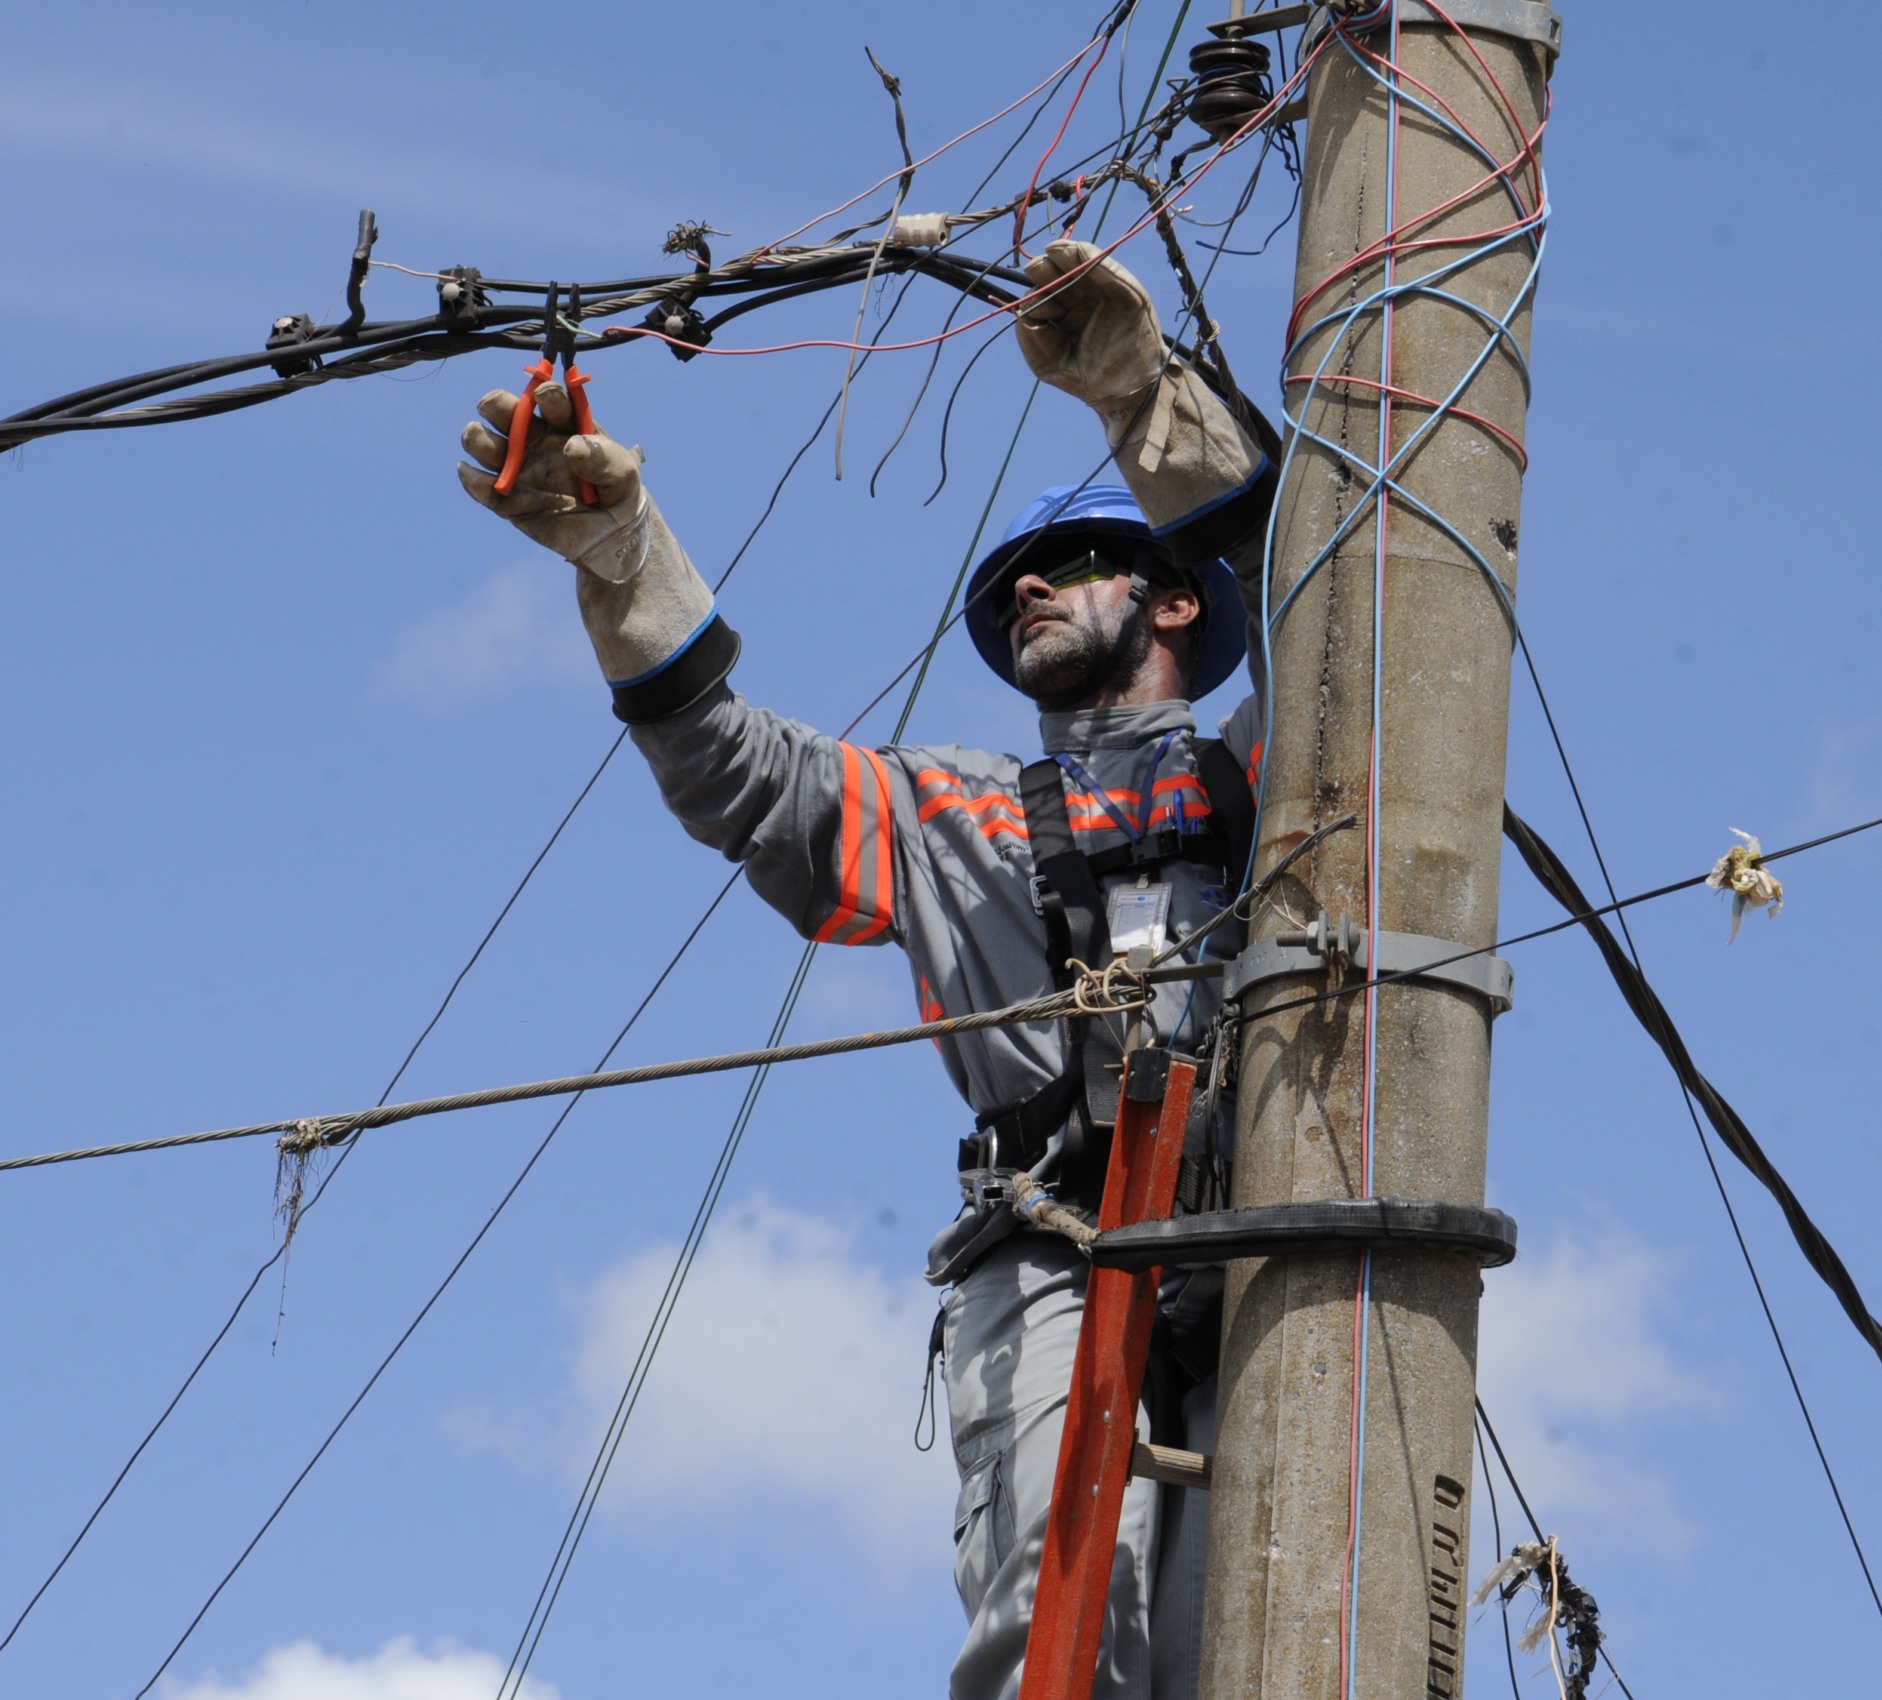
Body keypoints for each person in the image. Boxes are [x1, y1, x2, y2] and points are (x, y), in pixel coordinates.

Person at [456, 240, 1276, 1700]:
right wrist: (627, 563)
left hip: (1274, 1252)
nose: (1026, 590)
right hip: (1055, 1252)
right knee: (1061, 1642)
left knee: (1273, 1652)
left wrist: (1143, 401)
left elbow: (1353, 612)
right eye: (1010, 582)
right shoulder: (948, 807)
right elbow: (739, 778)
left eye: (1065, 566)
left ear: (1171, 601)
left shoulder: (1286, 776)